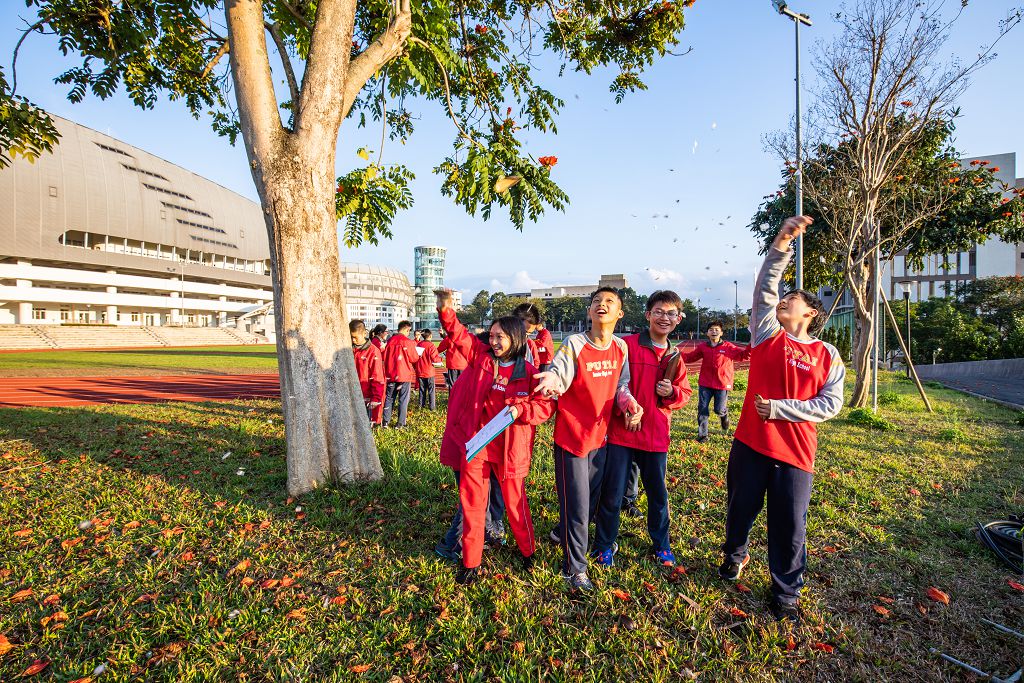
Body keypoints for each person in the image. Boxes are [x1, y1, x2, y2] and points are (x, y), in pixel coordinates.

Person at [719, 215, 845, 625]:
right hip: (751, 445)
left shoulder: (827, 354)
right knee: (740, 509)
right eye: (784, 297)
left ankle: (786, 591)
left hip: (795, 454)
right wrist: (781, 243)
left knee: (789, 526)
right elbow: (764, 289)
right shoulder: (767, 334)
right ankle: (735, 555)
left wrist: (780, 408)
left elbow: (830, 405)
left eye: (795, 298)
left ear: (811, 312)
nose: (785, 300)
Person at [435, 288, 554, 585]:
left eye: (501, 337)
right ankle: (471, 561)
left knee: (515, 504)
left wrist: (521, 410)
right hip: (479, 447)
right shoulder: (482, 359)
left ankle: (527, 552)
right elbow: (459, 334)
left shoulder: (529, 371)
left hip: (511, 451)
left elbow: (544, 407)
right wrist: (446, 309)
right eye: (492, 336)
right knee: (473, 502)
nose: (495, 342)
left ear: (517, 338)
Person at [533, 287, 641, 592]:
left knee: (589, 504)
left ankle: (559, 533)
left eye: (609, 302)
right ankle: (574, 569)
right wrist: (553, 380)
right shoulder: (575, 343)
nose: (601, 305)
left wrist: (629, 403)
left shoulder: (621, 347)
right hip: (572, 439)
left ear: (620, 314)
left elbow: (622, 385)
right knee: (578, 508)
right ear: (590, 312)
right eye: (596, 302)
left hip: (600, 438)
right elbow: (560, 371)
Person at [593, 290, 693, 567]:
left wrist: (672, 391)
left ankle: (661, 545)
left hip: (655, 437)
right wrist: (622, 409)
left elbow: (684, 394)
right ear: (648, 315)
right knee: (612, 494)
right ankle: (604, 545)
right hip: (622, 434)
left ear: (678, 319)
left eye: (671, 313)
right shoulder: (626, 346)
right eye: (659, 311)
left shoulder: (675, 356)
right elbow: (611, 383)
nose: (664, 317)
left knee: (658, 496)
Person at [683, 321, 752, 442]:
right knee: (702, 408)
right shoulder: (703, 347)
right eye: (711, 330)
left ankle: (724, 416)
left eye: (716, 329)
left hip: (722, 383)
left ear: (721, 333)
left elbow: (743, 355)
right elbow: (690, 357)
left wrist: (753, 344)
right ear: (707, 333)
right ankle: (703, 435)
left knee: (719, 409)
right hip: (705, 383)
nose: (714, 331)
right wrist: (676, 353)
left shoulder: (728, 347)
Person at [382, 321, 418, 428]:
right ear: (407, 329)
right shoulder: (408, 342)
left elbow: (384, 357)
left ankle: (385, 422)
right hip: (404, 374)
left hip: (391, 373)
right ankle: (400, 423)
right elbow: (414, 358)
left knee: (389, 397)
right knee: (403, 399)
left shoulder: (389, 341)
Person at [349, 319, 385, 426]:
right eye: (351, 337)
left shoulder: (373, 351)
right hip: (352, 394)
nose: (353, 340)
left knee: (363, 425)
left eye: (355, 337)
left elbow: (377, 376)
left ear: (364, 333)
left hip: (366, 395)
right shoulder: (349, 350)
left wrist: (376, 398)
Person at [512, 302, 554, 371]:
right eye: (524, 332)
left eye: (528, 334)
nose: (524, 336)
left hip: (546, 360)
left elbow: (542, 344)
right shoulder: (498, 342)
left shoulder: (544, 334)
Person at [415, 329, 442, 410]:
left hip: (420, 370)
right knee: (431, 390)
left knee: (422, 390)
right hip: (429, 371)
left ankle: (421, 406)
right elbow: (435, 359)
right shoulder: (431, 346)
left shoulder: (419, 345)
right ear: (430, 336)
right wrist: (440, 359)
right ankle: (432, 407)